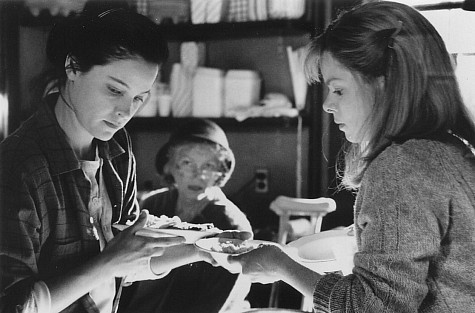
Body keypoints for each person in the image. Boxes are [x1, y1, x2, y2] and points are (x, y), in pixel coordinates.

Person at [228, 1, 475, 312]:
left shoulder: (401, 167)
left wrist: (282, 266)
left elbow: (374, 307)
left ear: (385, 86)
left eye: (339, 90)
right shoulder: (453, 152)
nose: (327, 105)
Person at [0, 8, 189, 313]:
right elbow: (12, 307)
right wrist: (110, 261)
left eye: (139, 97)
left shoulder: (117, 148)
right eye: (115, 90)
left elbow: (125, 262)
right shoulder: (18, 167)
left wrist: (206, 250)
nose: (126, 111)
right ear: (73, 67)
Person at [118, 118, 253, 313]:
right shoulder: (152, 205)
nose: (197, 174)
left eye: (208, 165)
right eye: (187, 162)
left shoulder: (231, 224)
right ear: (170, 166)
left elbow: (218, 301)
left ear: (219, 172)